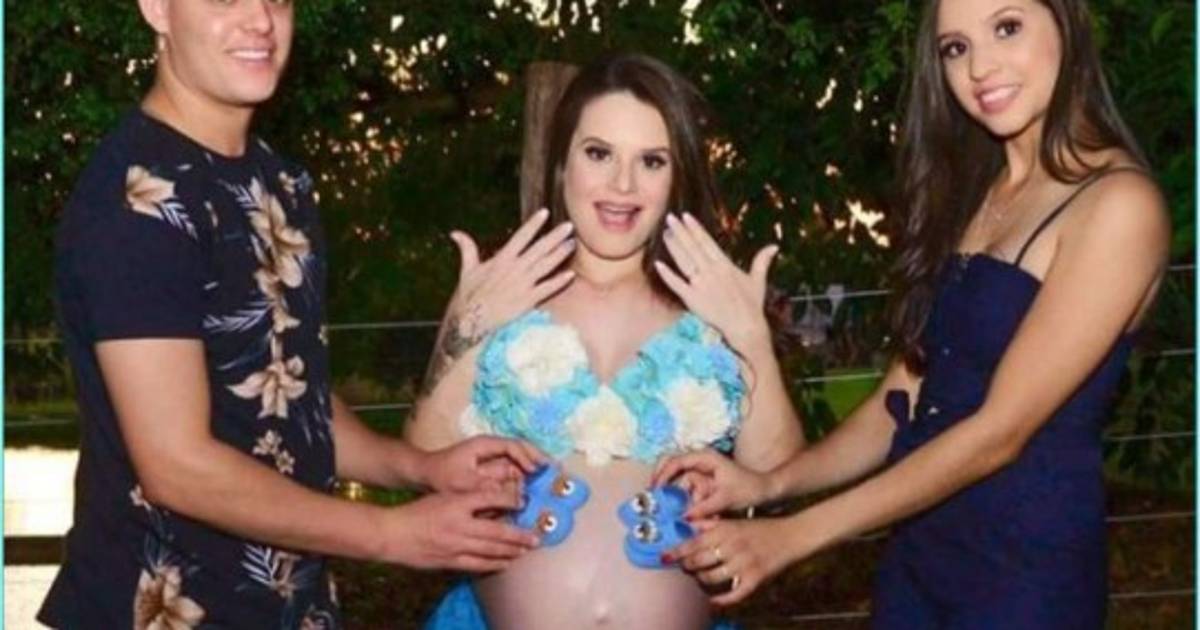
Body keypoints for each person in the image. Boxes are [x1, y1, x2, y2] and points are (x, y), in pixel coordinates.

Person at [39, 1, 575, 627]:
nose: (261, 19)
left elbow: (287, 394)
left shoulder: (281, 183)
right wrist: (390, 533)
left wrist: (418, 467)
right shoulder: (138, 202)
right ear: (157, 9)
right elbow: (176, 466)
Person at [652, 0, 1170, 627]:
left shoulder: (1119, 206)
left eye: (1007, 27)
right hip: (919, 563)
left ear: (1067, 22)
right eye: (955, 48)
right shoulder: (974, 193)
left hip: (1024, 580)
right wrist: (770, 484)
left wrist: (791, 536)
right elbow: (901, 398)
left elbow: (999, 432)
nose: (980, 67)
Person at [406, 53, 806, 629]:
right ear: (561, 164)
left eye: (651, 161)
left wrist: (752, 340)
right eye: (599, 154)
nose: (623, 184)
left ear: (677, 178)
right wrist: (460, 330)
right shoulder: (503, 297)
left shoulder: (712, 311)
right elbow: (423, 460)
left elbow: (777, 477)